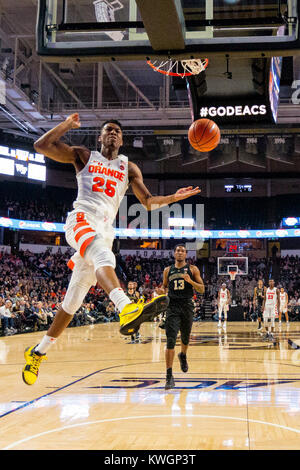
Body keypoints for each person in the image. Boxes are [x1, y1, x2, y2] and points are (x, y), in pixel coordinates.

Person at [22, 114, 200, 385]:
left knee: (73, 300)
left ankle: (38, 352)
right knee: (104, 257)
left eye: (117, 131)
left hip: (105, 230)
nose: (113, 134)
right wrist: (67, 126)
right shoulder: (83, 155)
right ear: (100, 137)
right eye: (108, 130)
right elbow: (41, 146)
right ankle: (125, 307)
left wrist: (174, 198)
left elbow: (148, 201)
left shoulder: (128, 168)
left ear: (122, 139)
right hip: (82, 218)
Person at [157, 244, 204, 390]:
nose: (179, 252)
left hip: (187, 306)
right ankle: (169, 376)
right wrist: (161, 291)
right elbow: (164, 287)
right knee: (170, 340)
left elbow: (202, 289)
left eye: (182, 251)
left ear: (186, 254)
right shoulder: (167, 270)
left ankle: (182, 355)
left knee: (185, 337)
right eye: (177, 250)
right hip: (172, 306)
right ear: (174, 253)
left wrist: (190, 281)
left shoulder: (192, 269)